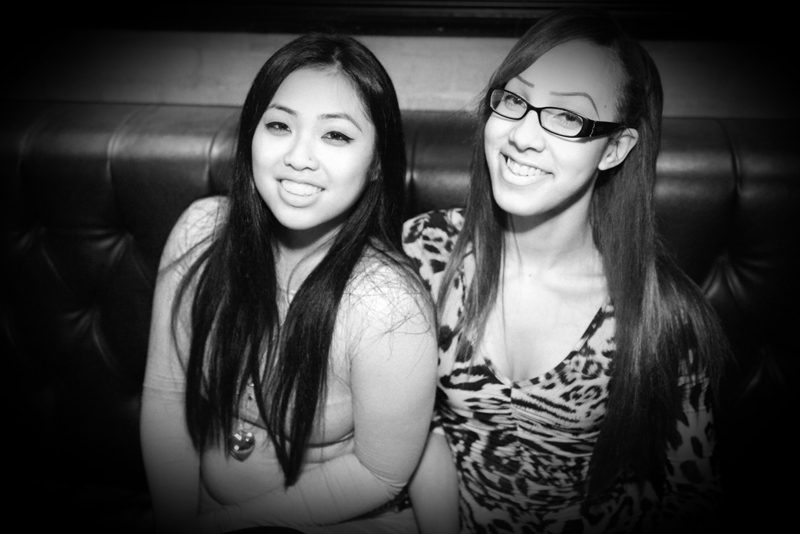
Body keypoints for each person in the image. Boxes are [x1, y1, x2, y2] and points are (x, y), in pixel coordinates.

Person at [404, 7, 730, 534]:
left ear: (615, 149)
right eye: (515, 100)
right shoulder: (427, 251)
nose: (523, 136)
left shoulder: (660, 314)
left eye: (566, 117)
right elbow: (421, 429)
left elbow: (690, 496)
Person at [141, 33, 438, 534]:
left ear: (376, 165)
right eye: (279, 125)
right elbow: (167, 395)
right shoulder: (199, 233)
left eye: (336, 135)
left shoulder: (388, 305)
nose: (299, 157)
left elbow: (379, 473)